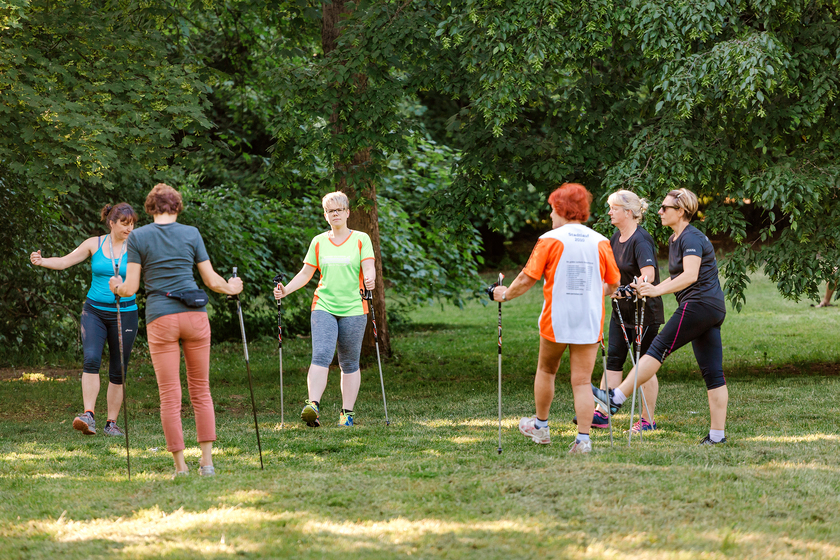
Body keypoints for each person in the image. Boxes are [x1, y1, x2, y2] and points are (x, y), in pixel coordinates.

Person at [110, 183, 242, 477]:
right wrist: (231, 287)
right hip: (195, 316)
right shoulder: (191, 233)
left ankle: (180, 466)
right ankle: (207, 463)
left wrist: (116, 287)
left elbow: (130, 288)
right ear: (177, 207)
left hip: (161, 318)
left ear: (150, 208)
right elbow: (210, 280)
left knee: (170, 395)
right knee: (201, 391)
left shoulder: (139, 237)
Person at [592, 188, 729, 445]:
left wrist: (655, 289)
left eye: (665, 208)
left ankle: (616, 398)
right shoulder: (677, 239)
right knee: (713, 373)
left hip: (699, 305)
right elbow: (677, 276)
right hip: (709, 308)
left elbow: (690, 276)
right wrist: (651, 288)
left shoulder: (690, 238)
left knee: (657, 349)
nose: (660, 211)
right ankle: (717, 436)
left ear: (681, 211)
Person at [492, 183, 619, 454]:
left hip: (556, 319)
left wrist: (504, 295)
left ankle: (541, 426)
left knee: (547, 370)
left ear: (561, 209)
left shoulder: (550, 239)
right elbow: (613, 285)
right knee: (582, 381)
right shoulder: (600, 241)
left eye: (552, 209)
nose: (550, 215)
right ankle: (583, 440)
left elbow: (527, 277)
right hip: (589, 319)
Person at [30, 203, 139, 437]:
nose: (129, 228)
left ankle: (112, 423)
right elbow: (65, 261)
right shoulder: (94, 243)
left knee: (118, 370)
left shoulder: (137, 247)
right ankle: (88, 415)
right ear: (111, 223)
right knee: (90, 359)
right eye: (124, 223)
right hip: (95, 312)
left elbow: (147, 276)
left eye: (132, 224)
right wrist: (43, 261)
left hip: (125, 313)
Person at [273, 191, 375, 428]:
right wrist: (285, 290)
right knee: (321, 355)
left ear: (348, 212)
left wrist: (369, 279)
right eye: (330, 211)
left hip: (354, 307)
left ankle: (347, 414)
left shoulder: (361, 239)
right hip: (324, 306)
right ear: (326, 216)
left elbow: (369, 267)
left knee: (349, 362)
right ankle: (313, 407)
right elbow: (306, 273)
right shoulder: (318, 241)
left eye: (339, 209)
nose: (335, 214)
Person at [592, 190, 665, 433]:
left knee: (644, 363)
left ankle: (647, 420)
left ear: (629, 212)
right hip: (620, 312)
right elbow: (610, 276)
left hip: (644, 311)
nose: (610, 212)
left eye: (613, 208)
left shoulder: (641, 239)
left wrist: (627, 290)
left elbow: (649, 275)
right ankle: (602, 413)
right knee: (613, 361)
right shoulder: (615, 239)